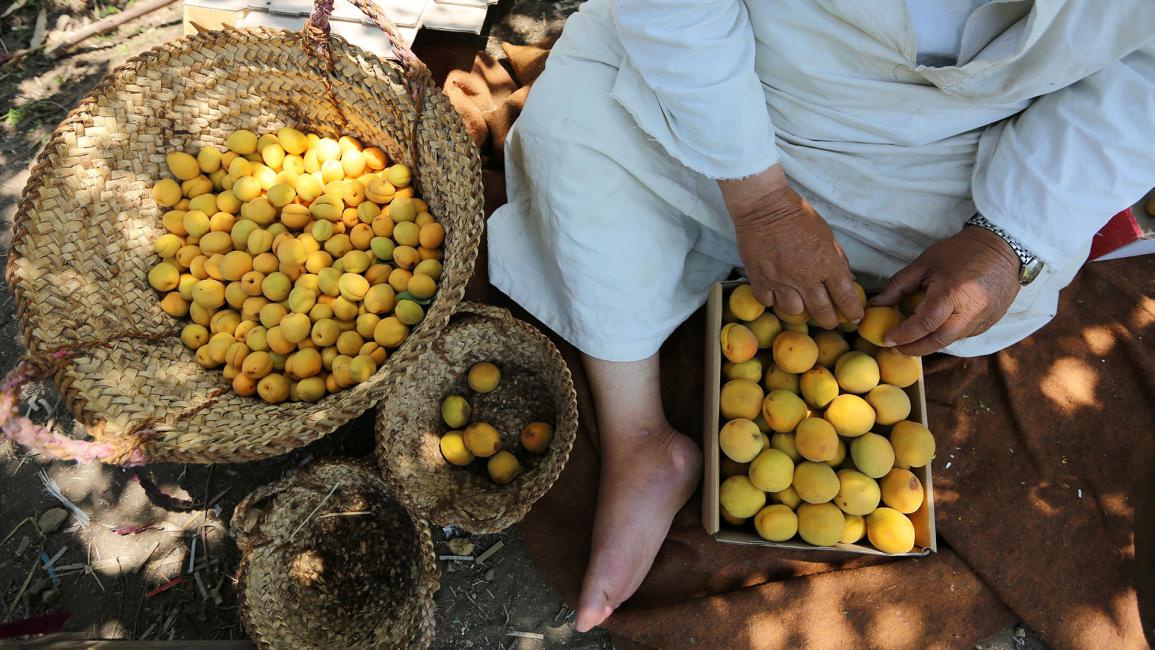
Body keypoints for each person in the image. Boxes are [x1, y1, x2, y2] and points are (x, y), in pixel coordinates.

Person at [486, 0, 1155, 633]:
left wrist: (1005, 238)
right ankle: (639, 439)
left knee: (1002, 301)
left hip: (939, 144)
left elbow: (1141, 70)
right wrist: (760, 203)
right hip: (727, 76)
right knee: (574, 135)